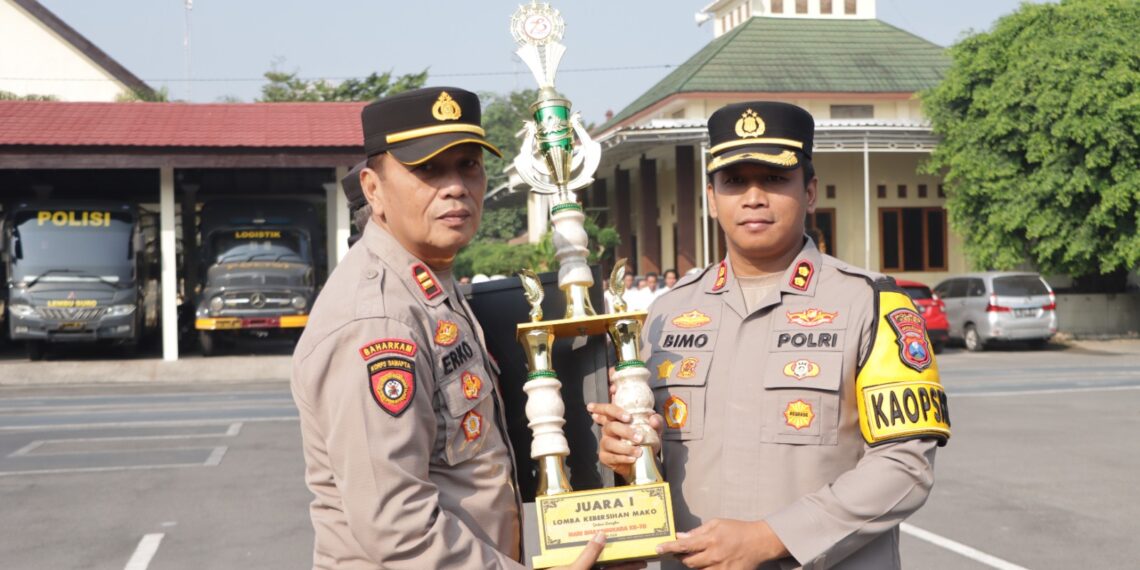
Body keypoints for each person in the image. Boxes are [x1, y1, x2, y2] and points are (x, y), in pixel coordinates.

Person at [589, 101, 950, 569]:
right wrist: (624, 458)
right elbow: (646, 459)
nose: (754, 197)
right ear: (711, 198)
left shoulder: (871, 305)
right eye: (735, 181)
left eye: (776, 179)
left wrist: (773, 538)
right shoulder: (666, 314)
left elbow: (905, 466)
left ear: (811, 191)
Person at [292, 86, 615, 570]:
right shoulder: (379, 320)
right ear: (372, 189)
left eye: (469, 166)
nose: (456, 187)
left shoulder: (428, 284)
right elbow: (398, 526)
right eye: (427, 169)